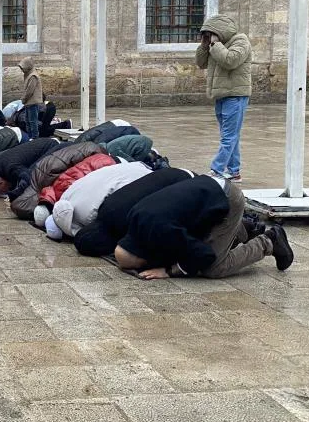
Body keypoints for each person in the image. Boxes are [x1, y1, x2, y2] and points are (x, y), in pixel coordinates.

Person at [114, 175, 293, 280]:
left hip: (228, 200)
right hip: (209, 190)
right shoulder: (135, 220)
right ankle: (244, 229)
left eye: (142, 266)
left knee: (214, 268)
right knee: (194, 246)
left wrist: (169, 271)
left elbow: (205, 255)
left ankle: (269, 241)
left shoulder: (162, 231)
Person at [195, 14, 252, 182]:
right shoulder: (214, 45)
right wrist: (204, 45)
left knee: (229, 136)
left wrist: (216, 44)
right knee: (230, 135)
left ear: (220, 30)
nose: (210, 36)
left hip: (235, 95)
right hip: (221, 95)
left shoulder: (240, 41)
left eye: (211, 33)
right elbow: (201, 63)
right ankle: (234, 172)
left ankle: (217, 170)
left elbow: (230, 61)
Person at [18, 57, 43, 139]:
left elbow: (29, 90)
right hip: (28, 102)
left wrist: (24, 98)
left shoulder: (33, 76)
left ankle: (34, 137)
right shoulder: (28, 75)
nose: (22, 70)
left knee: (32, 121)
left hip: (32, 102)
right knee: (28, 121)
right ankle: (30, 136)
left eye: (22, 67)